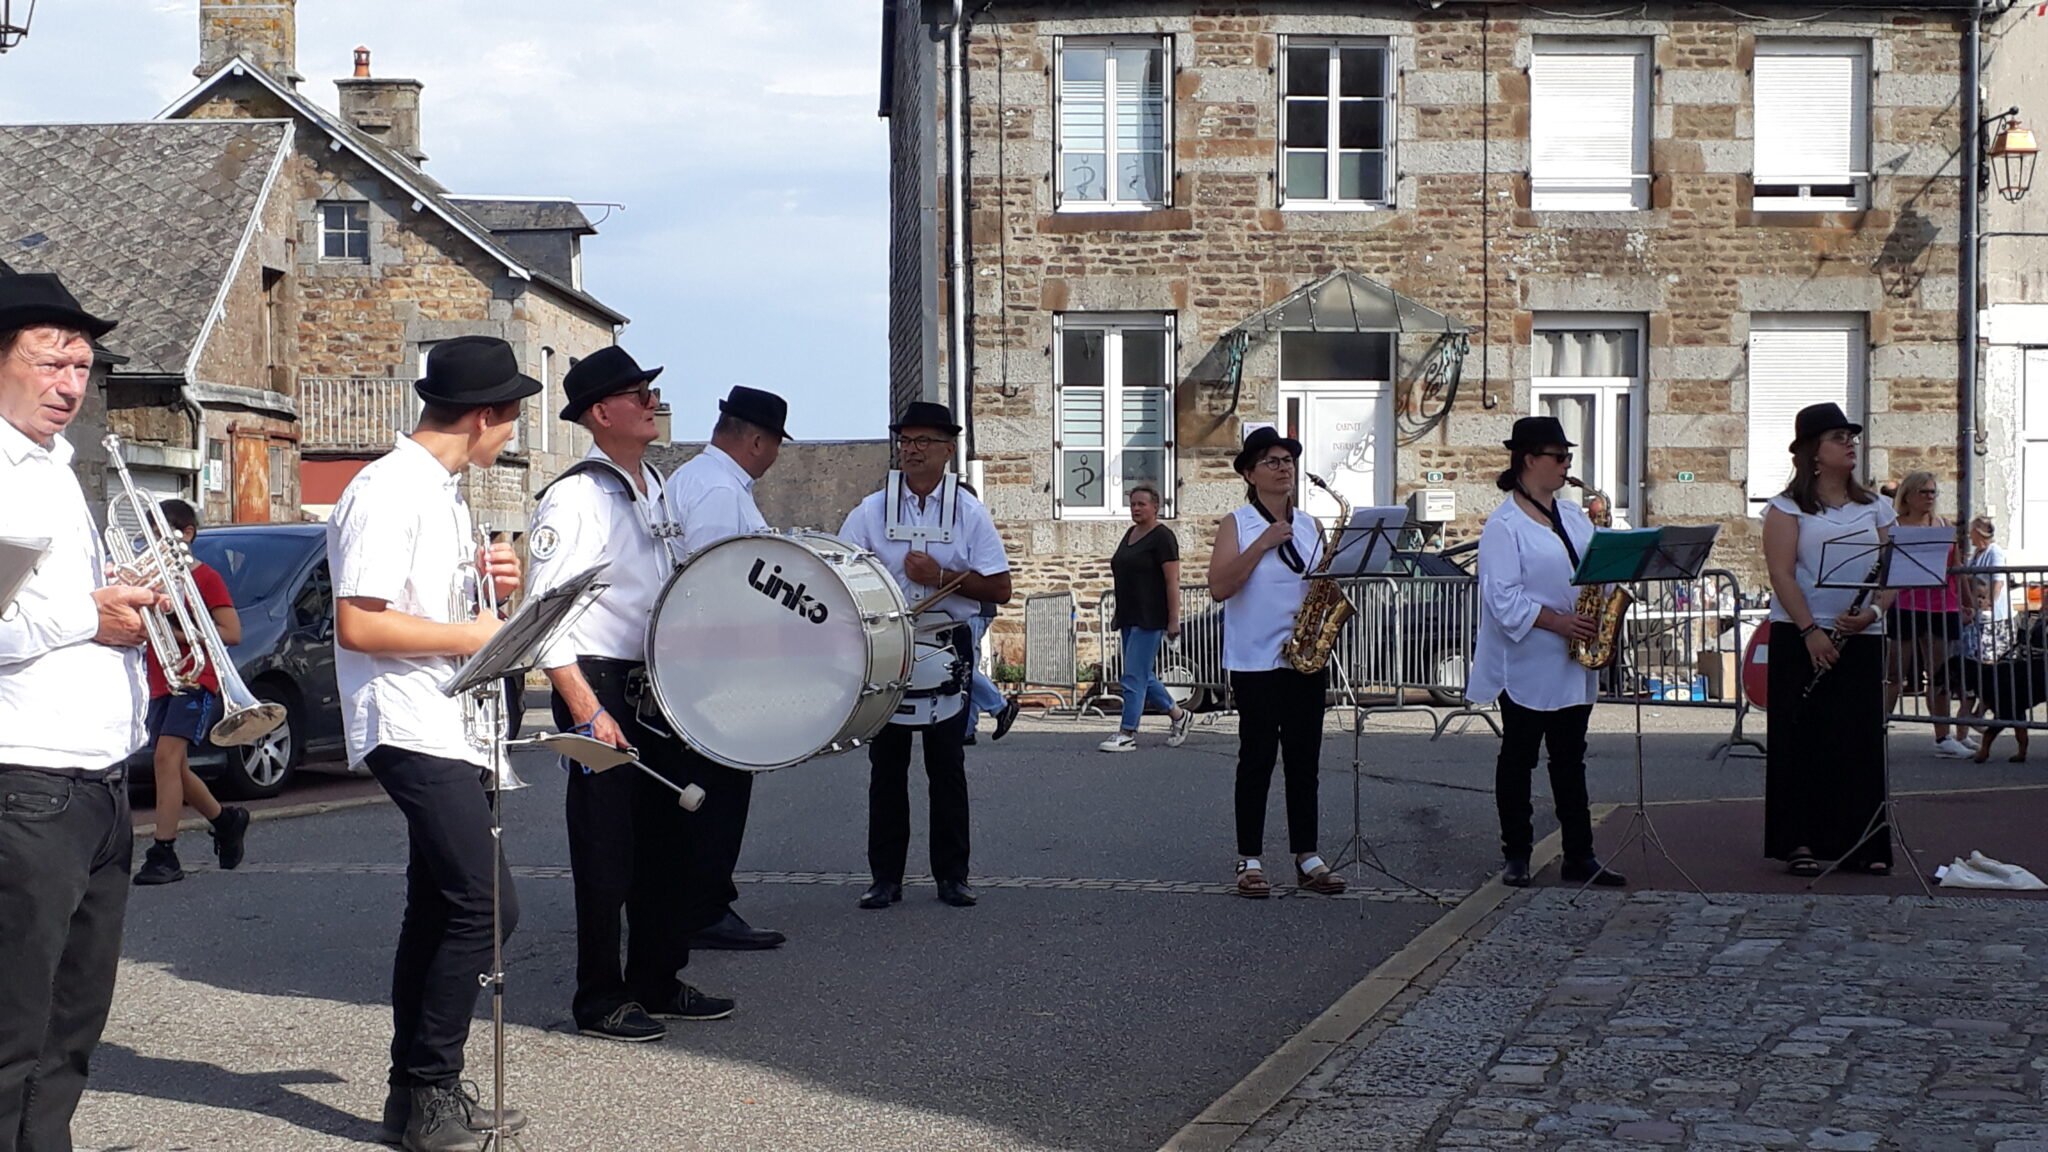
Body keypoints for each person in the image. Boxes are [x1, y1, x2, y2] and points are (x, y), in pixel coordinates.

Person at [329, 336, 534, 1152]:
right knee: (485, 905)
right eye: (513, 415)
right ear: (484, 415)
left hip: (452, 720)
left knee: (439, 905)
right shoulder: (389, 488)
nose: (514, 432)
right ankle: (431, 1087)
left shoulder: (444, 490)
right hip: (408, 719)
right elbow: (359, 620)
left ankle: (414, 1099)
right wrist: (468, 630)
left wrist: (495, 583)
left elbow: (435, 603)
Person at [528, 346, 734, 1044]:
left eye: (649, 390)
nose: (651, 400)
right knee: (607, 849)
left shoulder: (654, 485)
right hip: (602, 681)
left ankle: (656, 978)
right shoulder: (576, 497)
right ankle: (599, 995)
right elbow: (543, 617)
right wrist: (587, 709)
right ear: (600, 412)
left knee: (672, 840)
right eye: (636, 392)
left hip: (658, 681)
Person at [0, 273, 154, 1152]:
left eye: (82, 366)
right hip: (25, 779)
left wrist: (129, 617)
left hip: (96, 781)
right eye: (50, 361)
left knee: (72, 1027)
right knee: (14, 1028)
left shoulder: (60, 469)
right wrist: (86, 615)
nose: (70, 384)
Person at [839, 402, 1012, 909]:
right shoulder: (870, 510)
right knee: (886, 766)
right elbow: (843, 572)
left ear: (947, 450)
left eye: (923, 442)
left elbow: (999, 587)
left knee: (947, 764)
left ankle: (952, 876)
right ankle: (885, 878)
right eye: (905, 441)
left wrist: (939, 576)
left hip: (947, 637)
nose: (911, 450)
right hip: (890, 642)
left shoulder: (969, 512)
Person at [659, 385, 792, 952]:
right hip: (710, 665)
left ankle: (693, 899)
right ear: (757, 439)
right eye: (776, 444)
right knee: (723, 786)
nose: (776, 455)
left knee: (708, 789)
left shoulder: (698, 478)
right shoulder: (718, 490)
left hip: (695, 660)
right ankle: (705, 907)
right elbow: (711, 583)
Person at [1467, 417, 1625, 889]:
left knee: (1570, 757)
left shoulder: (1574, 516)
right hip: (1527, 656)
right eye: (1559, 457)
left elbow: (1597, 570)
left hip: (1571, 658)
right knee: (1519, 757)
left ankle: (1580, 854)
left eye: (1568, 458)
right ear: (1529, 460)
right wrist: (1558, 621)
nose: (1566, 466)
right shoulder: (1504, 524)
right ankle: (1516, 853)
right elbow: (1501, 597)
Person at [1205, 426, 1344, 899]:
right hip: (1256, 658)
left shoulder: (1311, 526)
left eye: (1287, 460)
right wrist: (1263, 543)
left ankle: (1308, 855)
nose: (1283, 467)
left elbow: (1320, 585)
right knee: (1258, 757)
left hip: (1303, 657)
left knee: (1305, 761)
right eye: (1272, 461)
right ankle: (1249, 858)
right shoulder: (1238, 523)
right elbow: (1220, 586)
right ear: (1250, 473)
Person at [1761, 403, 1896, 877]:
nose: (1850, 444)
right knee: (1802, 737)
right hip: (1802, 633)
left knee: (1856, 739)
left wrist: (1875, 610)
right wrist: (1811, 632)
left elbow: (1893, 570)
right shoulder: (1785, 508)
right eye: (1839, 437)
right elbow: (1781, 573)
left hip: (1861, 632)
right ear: (1813, 452)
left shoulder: (1877, 506)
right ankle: (1798, 839)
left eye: (1851, 437)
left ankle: (1861, 840)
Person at [132, 498, 252, 886]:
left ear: (186, 535)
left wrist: (175, 631)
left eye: (159, 535)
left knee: (166, 759)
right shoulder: (148, 580)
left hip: (194, 678)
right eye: (148, 536)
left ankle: (164, 852)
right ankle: (224, 820)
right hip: (157, 678)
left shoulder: (206, 578)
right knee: (175, 767)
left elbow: (232, 633)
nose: (151, 544)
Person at [1884, 471, 1972, 758]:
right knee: (1895, 672)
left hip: (1942, 607)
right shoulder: (1894, 526)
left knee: (1940, 674)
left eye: (1933, 492)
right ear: (1907, 496)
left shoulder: (1944, 525)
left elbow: (1958, 569)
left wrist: (1967, 603)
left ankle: (1943, 736)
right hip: (1905, 604)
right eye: (1924, 492)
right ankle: (1878, 730)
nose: (1930, 497)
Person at [1102, 483, 1194, 752]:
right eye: (1132, 504)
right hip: (1130, 614)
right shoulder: (1130, 533)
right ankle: (1180, 716)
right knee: (1143, 675)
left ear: (1156, 506)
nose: (1136, 508)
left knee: (1132, 676)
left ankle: (1127, 732)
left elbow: (1172, 580)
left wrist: (1173, 619)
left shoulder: (1163, 537)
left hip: (1151, 616)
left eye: (1142, 504)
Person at [955, 482, 1018, 746]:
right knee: (967, 663)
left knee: (963, 666)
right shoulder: (970, 530)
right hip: (978, 607)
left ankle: (1000, 706)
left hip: (974, 607)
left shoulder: (970, 531)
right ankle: (967, 728)